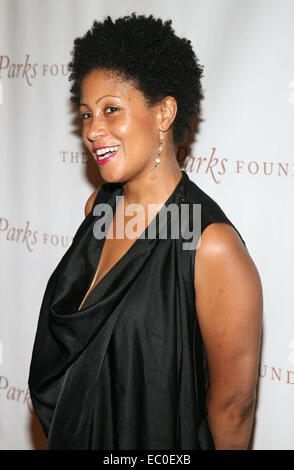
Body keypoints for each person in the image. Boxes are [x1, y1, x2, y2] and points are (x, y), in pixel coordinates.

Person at [28, 13, 263, 450]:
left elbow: (234, 406)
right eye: (86, 115)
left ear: (164, 113)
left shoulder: (211, 245)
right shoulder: (98, 209)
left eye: (111, 110)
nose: (93, 131)